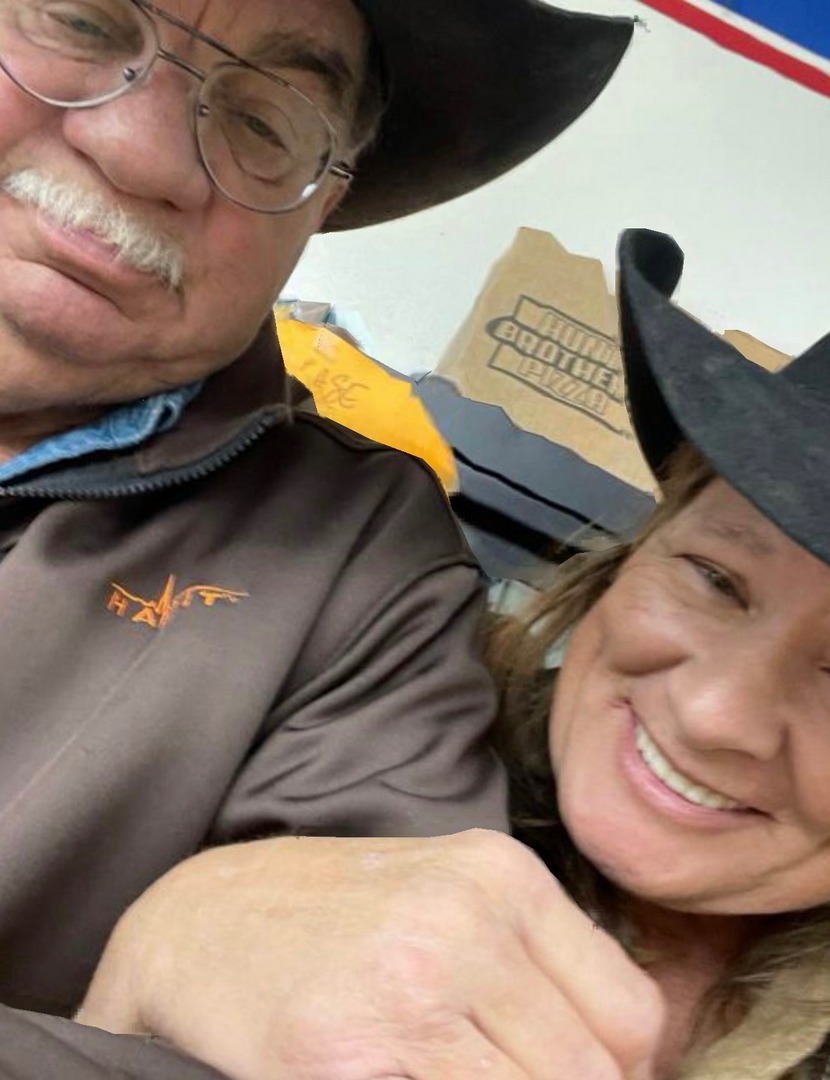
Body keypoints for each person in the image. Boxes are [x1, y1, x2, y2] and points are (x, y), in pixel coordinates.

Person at [0, 0, 635, 1076]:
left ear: (323, 197)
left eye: (264, 118)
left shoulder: (361, 571)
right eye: (84, 20)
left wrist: (189, 937)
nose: (142, 149)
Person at [79, 229, 830, 1080]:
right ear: (632, 557)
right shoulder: (340, 715)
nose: (714, 713)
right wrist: (171, 938)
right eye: (715, 578)